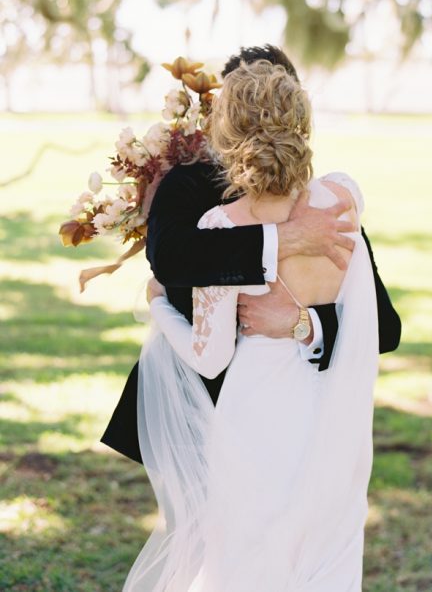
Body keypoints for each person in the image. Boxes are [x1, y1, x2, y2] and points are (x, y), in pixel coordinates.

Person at [124, 58, 378, 590]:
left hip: (252, 416)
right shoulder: (342, 201)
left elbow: (210, 357)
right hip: (330, 412)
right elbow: (367, 321)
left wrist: (158, 306)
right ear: (302, 126)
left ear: (228, 135)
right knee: (324, 557)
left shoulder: (220, 224)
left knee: (245, 560)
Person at [100, 44, 400, 464]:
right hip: (193, 412)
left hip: (295, 420)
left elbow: (383, 326)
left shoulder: (325, 206)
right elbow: (171, 259)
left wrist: (301, 324)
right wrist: (285, 238)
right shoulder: (188, 184)